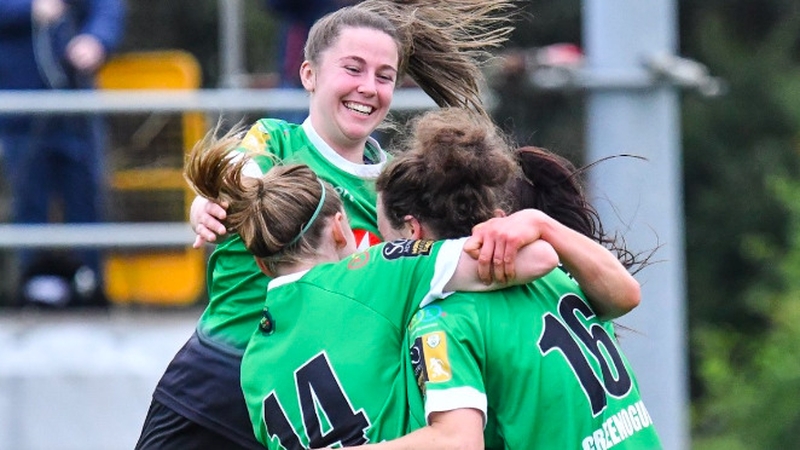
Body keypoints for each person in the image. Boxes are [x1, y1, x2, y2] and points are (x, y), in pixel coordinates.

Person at [137, 1, 518, 448]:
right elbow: (242, 171)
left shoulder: (398, 184)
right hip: (215, 390)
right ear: (308, 75)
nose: (368, 88)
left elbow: (444, 267)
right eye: (352, 69)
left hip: (326, 410)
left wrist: (503, 233)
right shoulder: (277, 140)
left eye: (384, 76)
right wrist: (213, 197)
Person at [341, 127, 662, 447]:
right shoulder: (552, 276)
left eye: (387, 243)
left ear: (412, 232)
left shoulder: (442, 323)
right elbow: (626, 296)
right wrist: (543, 225)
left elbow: (456, 441)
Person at [0, 0, 126, 307]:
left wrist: (97, 40)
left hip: (76, 104)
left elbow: (107, 8)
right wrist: (27, 10)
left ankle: (91, 285)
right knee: (29, 201)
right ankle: (32, 287)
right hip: (20, 104)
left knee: (86, 198)